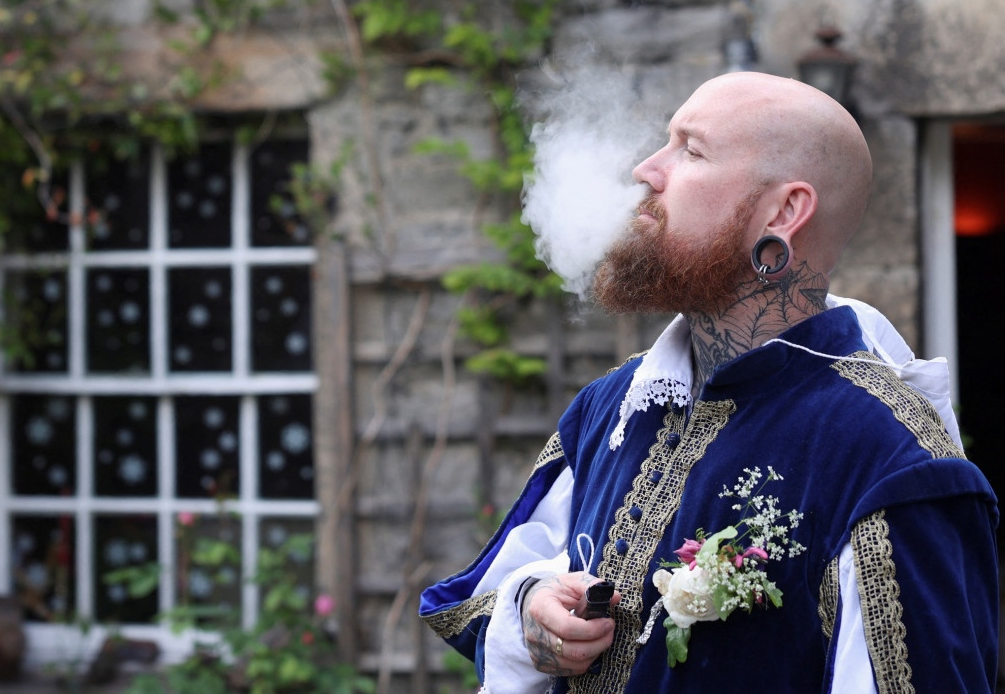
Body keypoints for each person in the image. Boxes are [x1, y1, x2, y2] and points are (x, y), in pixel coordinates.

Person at [419, 72, 999, 693]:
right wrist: (532, 607)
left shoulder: (889, 458)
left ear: (783, 211)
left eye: (690, 150)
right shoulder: (610, 405)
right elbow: (480, 600)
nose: (646, 169)